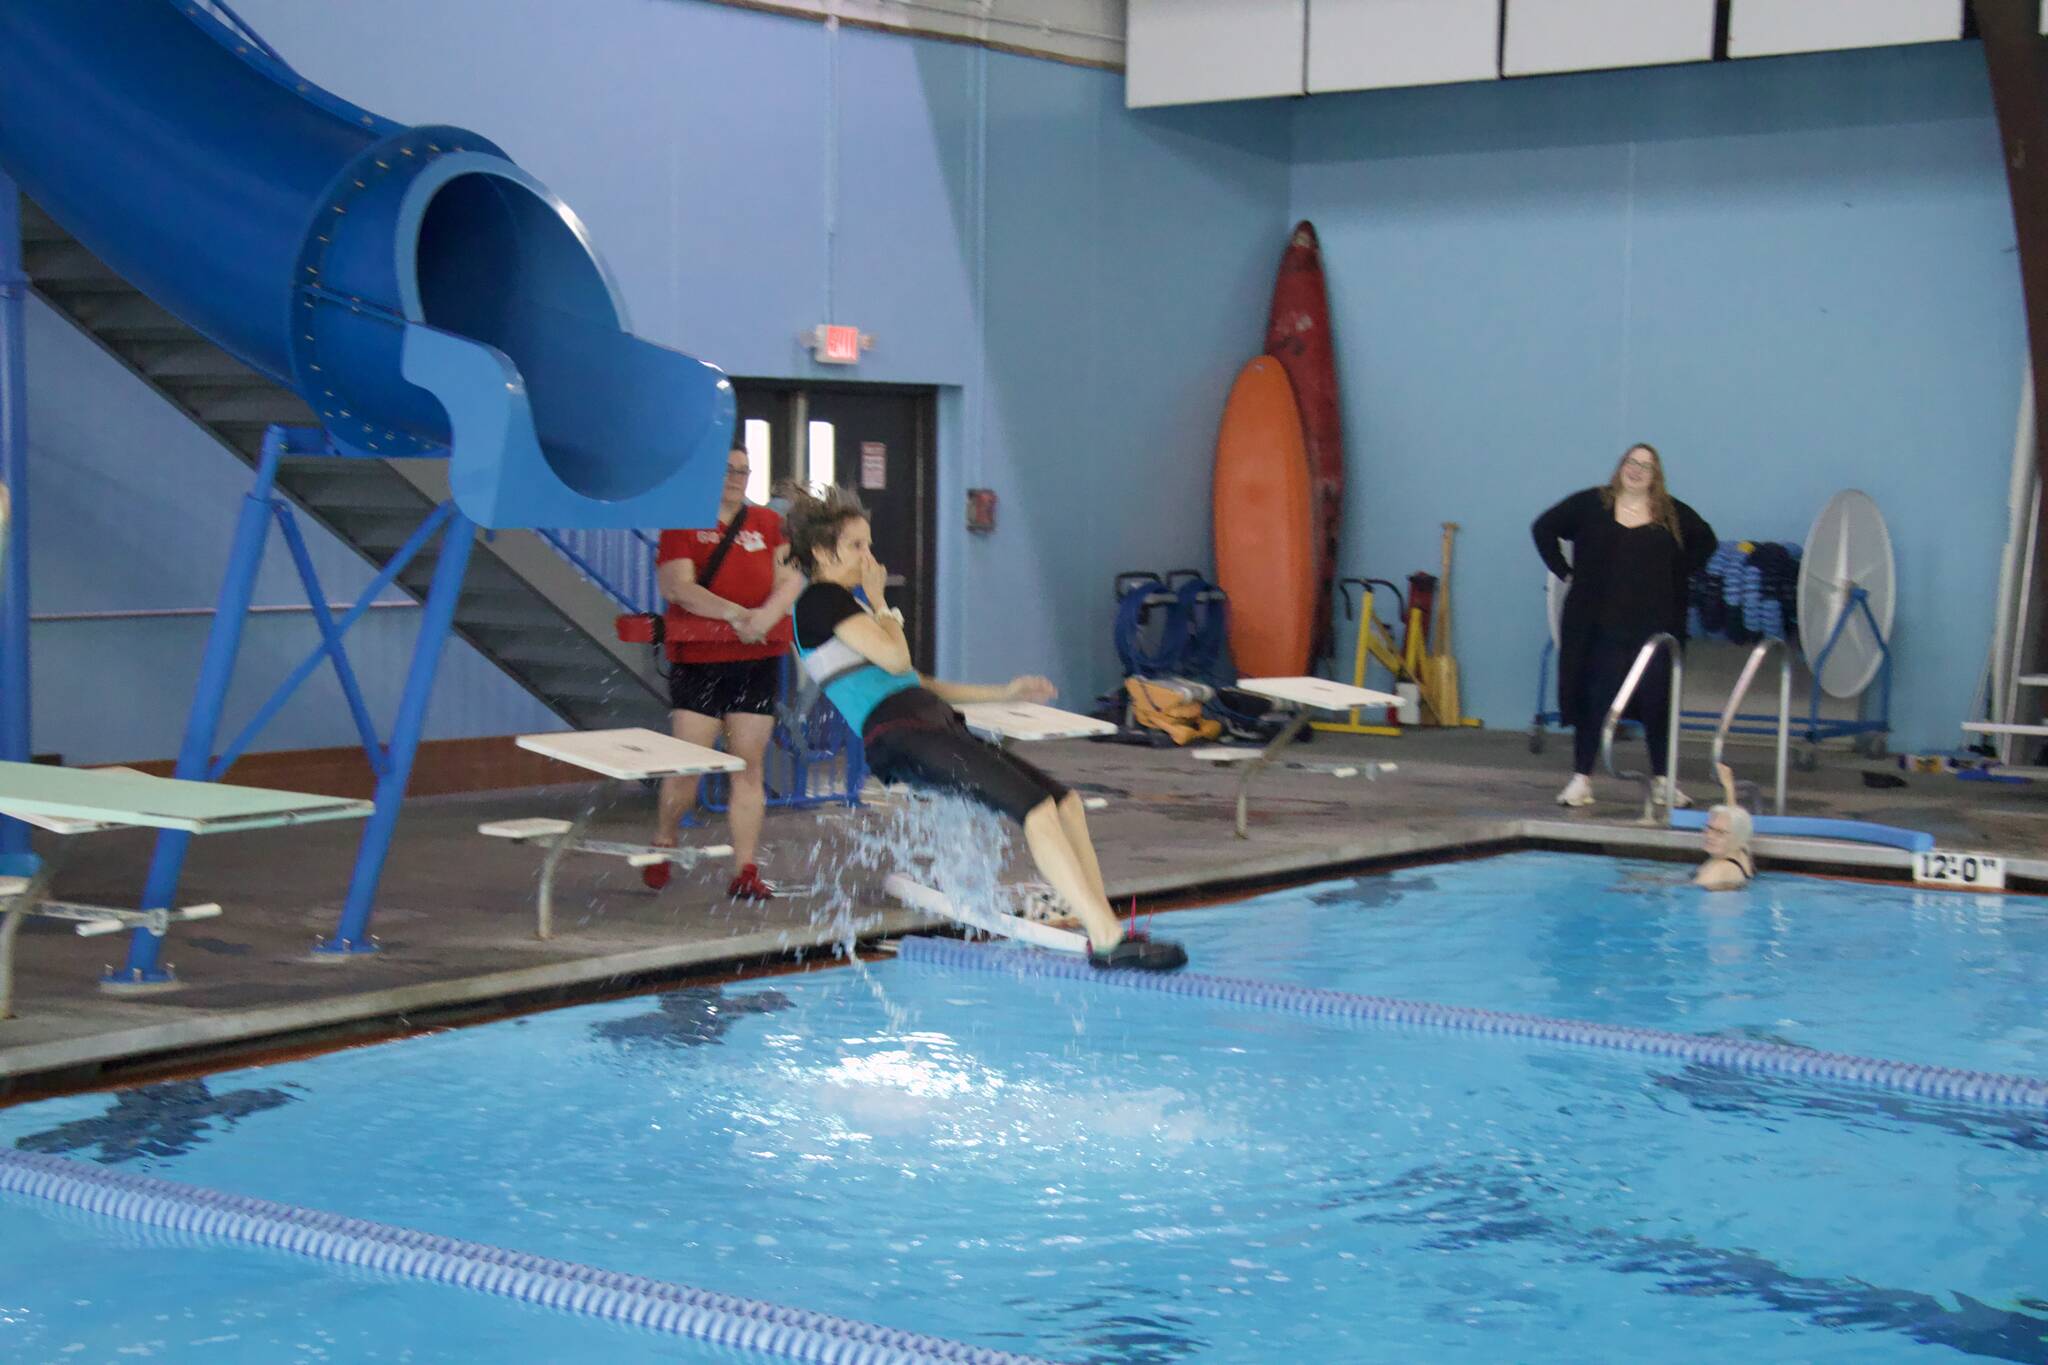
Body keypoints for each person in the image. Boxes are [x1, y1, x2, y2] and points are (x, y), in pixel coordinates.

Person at [783, 482, 1187, 972]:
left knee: (1065, 804)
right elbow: (896, 654)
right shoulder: (821, 602)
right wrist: (881, 601)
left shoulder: (848, 607)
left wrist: (1005, 693)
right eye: (857, 546)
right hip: (902, 735)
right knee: (1036, 810)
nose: (870, 557)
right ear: (822, 552)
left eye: (869, 544)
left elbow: (917, 680)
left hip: (927, 724)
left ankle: (1107, 926)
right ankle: (1105, 940)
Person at [646, 445, 805, 899]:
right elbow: (679, 587)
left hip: (755, 660)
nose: (736, 477)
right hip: (699, 662)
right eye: (726, 469)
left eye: (743, 470)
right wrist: (738, 614)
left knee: (748, 766)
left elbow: (791, 579)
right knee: (688, 766)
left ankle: (746, 868)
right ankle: (665, 839)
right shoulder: (682, 524)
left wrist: (765, 616)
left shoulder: (769, 524)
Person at [1532, 444, 1716, 809]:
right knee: (1593, 700)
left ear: (1656, 475)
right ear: (1621, 466)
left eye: (1646, 466)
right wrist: (1565, 572)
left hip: (1653, 628)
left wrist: (1675, 574)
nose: (1637, 470)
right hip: (1599, 627)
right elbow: (1544, 528)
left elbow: (1706, 541)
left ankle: (1664, 780)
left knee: (1658, 702)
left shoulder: (1670, 513)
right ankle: (1581, 779)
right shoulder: (1591, 504)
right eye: (1632, 462)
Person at [1695, 762, 1755, 891]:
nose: (1710, 836)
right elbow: (1733, 821)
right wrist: (1729, 788)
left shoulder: (1715, 872)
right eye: (1709, 828)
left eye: (1719, 833)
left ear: (1736, 838)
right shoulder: (1742, 858)